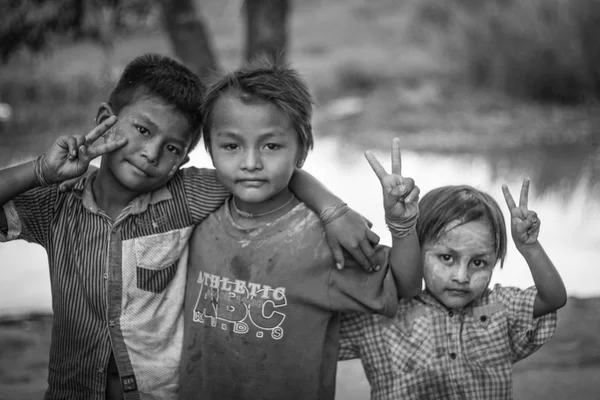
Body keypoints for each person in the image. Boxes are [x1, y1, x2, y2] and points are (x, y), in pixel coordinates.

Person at [0, 53, 388, 400]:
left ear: (183, 161)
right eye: (142, 130)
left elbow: (262, 172)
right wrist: (40, 171)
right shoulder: (56, 203)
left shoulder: (185, 196)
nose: (151, 153)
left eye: (172, 148)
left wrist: (332, 210)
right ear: (106, 120)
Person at [177, 62, 423, 400]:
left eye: (271, 146)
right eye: (231, 146)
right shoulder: (196, 218)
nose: (250, 163)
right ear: (210, 149)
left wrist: (402, 225)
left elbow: (404, 287)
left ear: (302, 151)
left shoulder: (322, 240)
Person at [338, 180, 567, 399]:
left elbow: (553, 299)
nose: (461, 277)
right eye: (446, 257)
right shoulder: (381, 315)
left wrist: (530, 248)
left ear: (495, 260)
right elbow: (314, 328)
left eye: (478, 263)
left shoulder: (500, 308)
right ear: (417, 249)